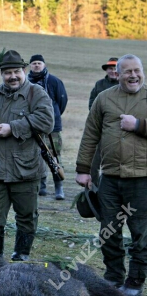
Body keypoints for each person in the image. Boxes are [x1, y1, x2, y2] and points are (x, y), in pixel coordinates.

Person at [75, 54, 147, 295]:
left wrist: (138, 125)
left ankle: (135, 282)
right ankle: (114, 277)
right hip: (110, 178)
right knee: (109, 231)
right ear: (118, 74)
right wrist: (84, 170)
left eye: (137, 70)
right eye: (128, 71)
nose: (133, 75)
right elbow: (90, 135)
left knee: (142, 233)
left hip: (142, 179)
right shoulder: (103, 99)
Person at [0, 49, 54, 260]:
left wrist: (13, 127)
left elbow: (46, 121)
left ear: (24, 70)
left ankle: (21, 255)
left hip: (25, 169)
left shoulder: (36, 94)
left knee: (26, 217)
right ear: (1, 74)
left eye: (17, 71)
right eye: (7, 72)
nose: (13, 76)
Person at [28, 54, 67, 200]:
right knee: (36, 155)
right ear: (30, 66)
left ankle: (59, 187)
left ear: (44, 65)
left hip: (53, 127)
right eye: (34, 63)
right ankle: (41, 186)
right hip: (33, 126)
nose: (36, 65)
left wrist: (53, 117)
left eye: (39, 63)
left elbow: (62, 101)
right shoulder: (25, 82)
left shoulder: (54, 81)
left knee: (55, 156)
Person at [88, 57, 119, 186]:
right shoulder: (99, 84)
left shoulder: (125, 85)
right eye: (110, 68)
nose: (112, 71)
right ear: (106, 70)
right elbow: (92, 104)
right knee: (94, 163)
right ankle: (93, 189)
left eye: (115, 68)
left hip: (119, 131)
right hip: (100, 129)